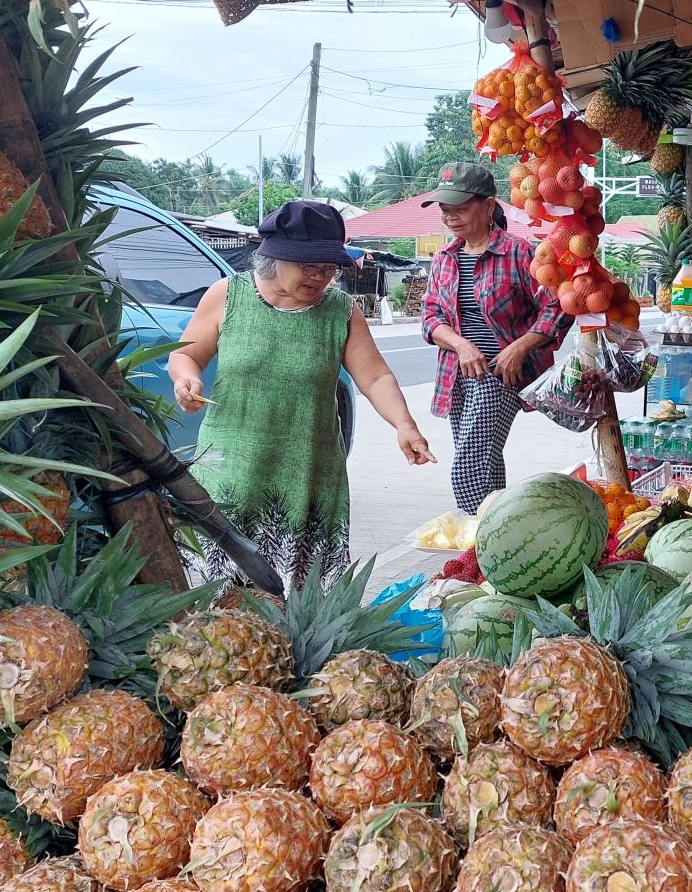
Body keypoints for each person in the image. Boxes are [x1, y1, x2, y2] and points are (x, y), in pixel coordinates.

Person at [172, 200, 436, 585]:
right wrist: (186, 379)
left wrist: (404, 424)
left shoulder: (341, 311)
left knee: (297, 606)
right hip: (230, 473)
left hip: (307, 477)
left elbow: (375, 377)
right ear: (274, 258)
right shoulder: (227, 295)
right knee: (217, 599)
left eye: (328, 267)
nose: (320, 276)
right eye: (308, 265)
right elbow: (185, 354)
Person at [421, 162, 569, 514]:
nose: (451, 217)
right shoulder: (444, 259)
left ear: (488, 205)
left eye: (460, 207)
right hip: (456, 375)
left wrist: (519, 347)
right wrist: (460, 344)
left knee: (467, 469)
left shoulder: (519, 253)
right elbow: (430, 319)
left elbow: (557, 307)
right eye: (445, 210)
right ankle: (499, 542)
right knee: (485, 462)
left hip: (500, 375)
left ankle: (477, 537)